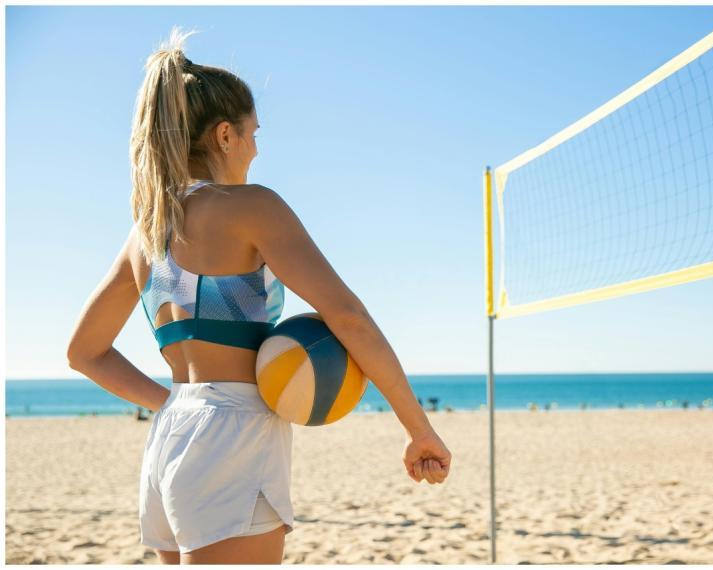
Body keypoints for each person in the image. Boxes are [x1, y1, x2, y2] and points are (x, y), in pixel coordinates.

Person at [65, 27, 451, 565]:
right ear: (225, 136)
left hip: (171, 438)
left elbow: (83, 352)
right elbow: (347, 316)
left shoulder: (146, 230)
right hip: (234, 437)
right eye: (253, 132)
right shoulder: (252, 206)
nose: (256, 146)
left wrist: (176, 403)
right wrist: (419, 429)